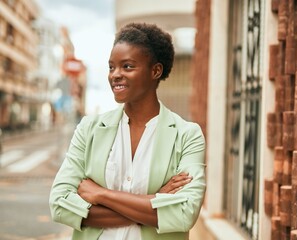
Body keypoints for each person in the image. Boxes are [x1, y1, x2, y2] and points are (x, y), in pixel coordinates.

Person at [49, 22, 206, 240]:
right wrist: (156, 200)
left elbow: (184, 213)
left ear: (155, 70)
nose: (115, 75)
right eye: (112, 67)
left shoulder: (187, 135)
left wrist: (101, 194)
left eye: (128, 66)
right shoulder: (89, 129)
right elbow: (59, 204)